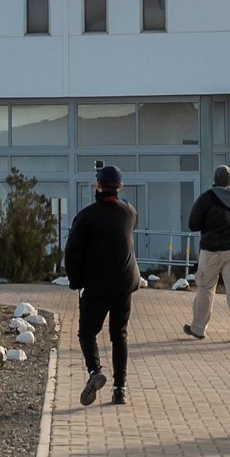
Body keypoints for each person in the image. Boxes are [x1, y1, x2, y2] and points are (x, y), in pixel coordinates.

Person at [64, 164, 143, 406]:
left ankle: (94, 371)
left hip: (96, 287)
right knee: (119, 335)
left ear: (97, 186)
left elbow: (72, 253)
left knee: (87, 332)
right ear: (121, 187)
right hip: (124, 285)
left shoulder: (86, 216)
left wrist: (76, 281)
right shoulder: (130, 213)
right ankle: (120, 390)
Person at [184, 165, 230, 342]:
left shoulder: (206, 199)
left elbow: (193, 224)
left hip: (211, 250)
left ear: (215, 179)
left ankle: (198, 328)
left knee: (206, 288)